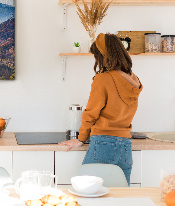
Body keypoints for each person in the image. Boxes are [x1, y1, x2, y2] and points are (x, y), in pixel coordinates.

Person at [59, 33, 142, 185]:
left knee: (85, 190)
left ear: (104, 56)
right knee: (120, 197)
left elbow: (91, 114)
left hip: (103, 144)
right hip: (125, 146)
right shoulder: (133, 80)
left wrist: (81, 139)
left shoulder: (103, 79)